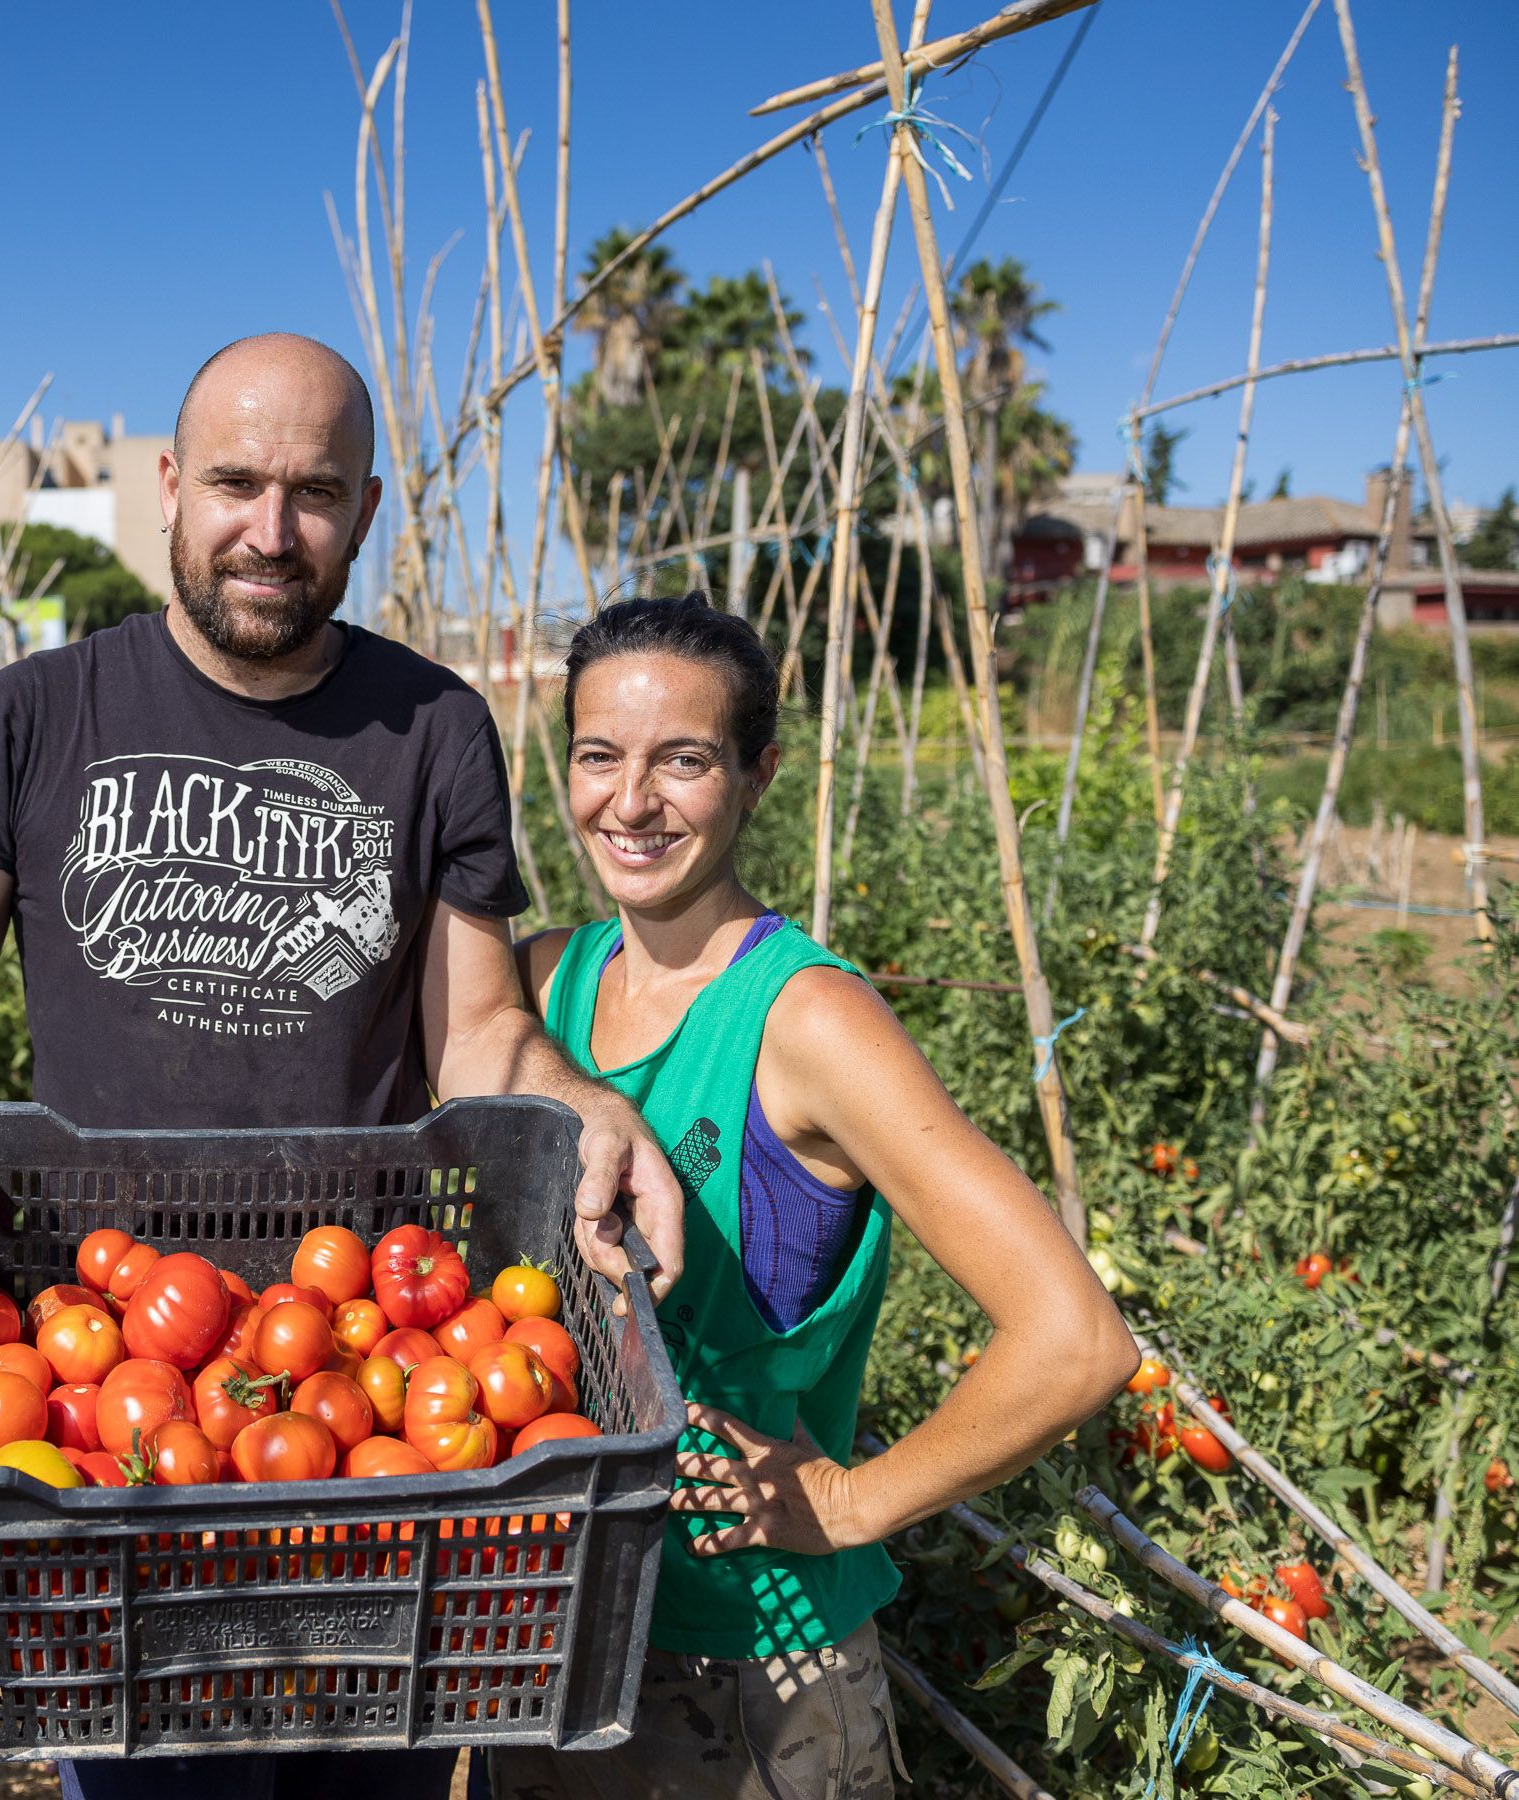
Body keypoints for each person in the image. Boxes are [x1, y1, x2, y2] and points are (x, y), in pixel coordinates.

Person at [0, 333, 686, 1800]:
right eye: (235, 482)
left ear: (362, 512)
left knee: (383, 1768)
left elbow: (478, 1035)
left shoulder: (435, 731)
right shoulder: (26, 721)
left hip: (379, 1390)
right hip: (115, 1420)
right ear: (167, 487)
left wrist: (590, 1106)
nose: (269, 532)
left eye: (314, 493)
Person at [484, 597, 1137, 1799]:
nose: (630, 804)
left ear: (757, 773)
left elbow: (1077, 1339)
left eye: (683, 760)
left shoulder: (807, 1021)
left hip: (744, 1667)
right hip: (551, 1639)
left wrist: (846, 1499)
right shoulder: (541, 986)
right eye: (598, 757)